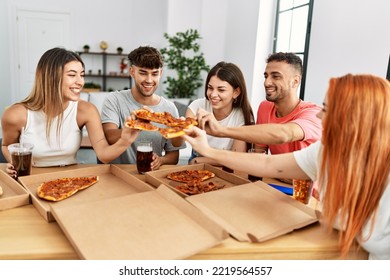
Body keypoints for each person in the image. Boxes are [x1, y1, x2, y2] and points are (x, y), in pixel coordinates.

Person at [182, 74, 390, 260]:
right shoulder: (326, 150)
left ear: (354, 118)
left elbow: (282, 135)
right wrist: (209, 151)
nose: (319, 116)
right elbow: (268, 163)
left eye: (326, 109)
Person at [1, 47, 136, 177]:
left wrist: (125, 139)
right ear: (50, 77)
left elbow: (103, 155)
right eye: (72, 75)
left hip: (69, 181)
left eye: (82, 75)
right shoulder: (16, 115)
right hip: (31, 179)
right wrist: (14, 162)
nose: (80, 82)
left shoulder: (86, 110)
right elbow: (7, 145)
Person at [196, 52, 322, 155]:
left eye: (276, 76)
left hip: (307, 185)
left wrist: (221, 130)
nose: (267, 82)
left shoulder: (314, 114)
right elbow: (258, 154)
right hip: (273, 180)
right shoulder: (265, 108)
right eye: (266, 76)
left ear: (295, 82)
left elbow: (284, 133)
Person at [100, 46, 184, 169]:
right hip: (118, 175)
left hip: (150, 176)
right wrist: (136, 125)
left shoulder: (169, 109)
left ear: (160, 73)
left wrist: (161, 160)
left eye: (154, 74)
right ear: (132, 72)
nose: (149, 80)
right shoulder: (114, 100)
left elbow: (174, 156)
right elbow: (109, 136)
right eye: (143, 73)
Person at [177, 61, 254, 165]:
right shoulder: (197, 106)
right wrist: (178, 130)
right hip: (198, 161)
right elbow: (178, 144)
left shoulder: (243, 116)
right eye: (210, 88)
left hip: (227, 167)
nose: (213, 94)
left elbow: (237, 159)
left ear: (236, 92)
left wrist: (198, 161)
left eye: (221, 90)